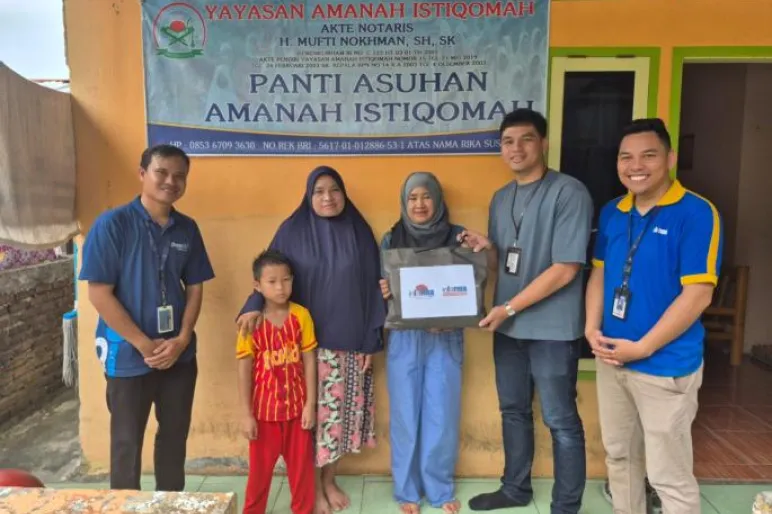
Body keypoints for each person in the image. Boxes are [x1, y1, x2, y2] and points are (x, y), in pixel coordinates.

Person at [460, 108, 593, 514]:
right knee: (513, 411)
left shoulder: (569, 192)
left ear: (544, 143)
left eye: (526, 139)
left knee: (560, 420)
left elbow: (566, 268)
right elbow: (505, 263)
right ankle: (515, 489)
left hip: (552, 330)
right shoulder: (501, 198)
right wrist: (488, 249)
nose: (516, 149)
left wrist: (508, 307)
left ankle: (565, 506)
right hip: (509, 328)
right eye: (507, 142)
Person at [587, 118, 722, 514]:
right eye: (625, 157)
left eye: (648, 155)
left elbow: (698, 294)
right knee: (620, 459)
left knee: (667, 475)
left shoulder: (696, 213)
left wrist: (643, 347)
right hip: (613, 358)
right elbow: (599, 274)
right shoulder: (613, 212)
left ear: (670, 158)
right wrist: (591, 328)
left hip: (666, 366)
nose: (636, 166)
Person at [235, 166, 386, 514]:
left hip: (349, 341)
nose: (327, 197)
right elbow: (269, 273)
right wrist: (252, 306)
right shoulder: (291, 231)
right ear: (308, 195)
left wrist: (371, 340)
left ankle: (329, 479)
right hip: (299, 347)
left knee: (339, 419)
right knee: (309, 422)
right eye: (319, 191)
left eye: (334, 189)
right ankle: (312, 487)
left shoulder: (359, 231)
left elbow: (372, 286)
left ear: (343, 193)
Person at [78, 144, 215, 491]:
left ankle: (170, 504)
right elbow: (99, 293)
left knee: (174, 437)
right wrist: (143, 344)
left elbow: (195, 286)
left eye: (179, 176)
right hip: (128, 354)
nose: (171, 181)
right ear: (142, 174)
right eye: (161, 172)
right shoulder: (112, 225)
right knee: (126, 444)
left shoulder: (187, 229)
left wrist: (182, 338)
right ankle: (125, 507)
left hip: (178, 355)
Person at [379, 172, 465, 514]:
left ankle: (440, 489)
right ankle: (407, 491)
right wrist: (385, 289)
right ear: (404, 202)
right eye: (412, 197)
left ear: (438, 199)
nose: (419, 204)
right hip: (405, 336)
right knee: (405, 414)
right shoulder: (391, 239)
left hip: (445, 336)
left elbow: (473, 282)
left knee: (441, 413)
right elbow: (384, 284)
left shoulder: (458, 237)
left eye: (426, 196)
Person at [237, 250, 318, 514]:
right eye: (272, 281)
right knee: (258, 478)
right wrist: (246, 414)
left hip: (297, 413)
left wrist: (310, 405)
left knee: (302, 474)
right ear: (257, 285)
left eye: (286, 280)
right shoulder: (251, 322)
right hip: (264, 415)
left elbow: (309, 360)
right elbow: (244, 368)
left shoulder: (301, 316)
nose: (281, 288)